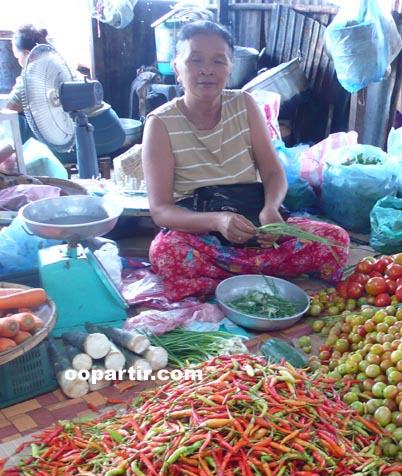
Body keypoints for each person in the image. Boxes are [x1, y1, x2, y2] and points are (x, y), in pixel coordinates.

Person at [142, 20, 350, 302]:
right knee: (166, 254)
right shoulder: (160, 123)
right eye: (195, 60)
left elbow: (273, 173)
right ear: (177, 68)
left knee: (335, 241)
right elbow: (161, 211)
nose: (207, 70)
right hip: (202, 230)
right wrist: (218, 220)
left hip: (255, 222)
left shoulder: (244, 104)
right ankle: (262, 275)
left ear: (230, 68)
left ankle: (230, 280)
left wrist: (271, 209)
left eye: (219, 61)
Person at [5, 24, 125, 162]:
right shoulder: (58, 62)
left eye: (17, 57)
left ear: (27, 54)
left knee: (23, 129)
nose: (19, 62)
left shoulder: (30, 76)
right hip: (113, 128)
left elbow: (8, 113)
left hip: (96, 132)